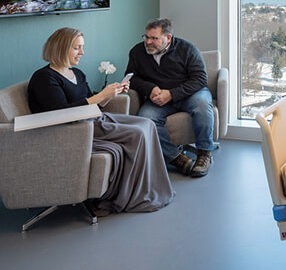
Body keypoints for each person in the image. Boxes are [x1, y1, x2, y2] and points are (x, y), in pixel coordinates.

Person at [27, 28, 175, 214]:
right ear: (62, 48)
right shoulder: (44, 78)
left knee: (147, 124)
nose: (82, 52)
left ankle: (154, 187)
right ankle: (132, 196)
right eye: (77, 48)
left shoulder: (77, 73)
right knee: (137, 133)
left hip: (94, 120)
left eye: (82, 47)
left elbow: (92, 104)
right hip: (75, 130)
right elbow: (60, 114)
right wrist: (100, 97)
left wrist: (109, 95)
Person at [126, 18, 215, 177]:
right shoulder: (137, 52)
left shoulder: (187, 49)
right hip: (159, 98)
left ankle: (204, 153)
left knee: (202, 104)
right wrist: (150, 88)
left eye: (154, 38)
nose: (148, 42)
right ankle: (177, 158)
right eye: (146, 37)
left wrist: (172, 94)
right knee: (146, 118)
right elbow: (131, 77)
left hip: (190, 94)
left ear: (168, 38)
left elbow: (200, 79)